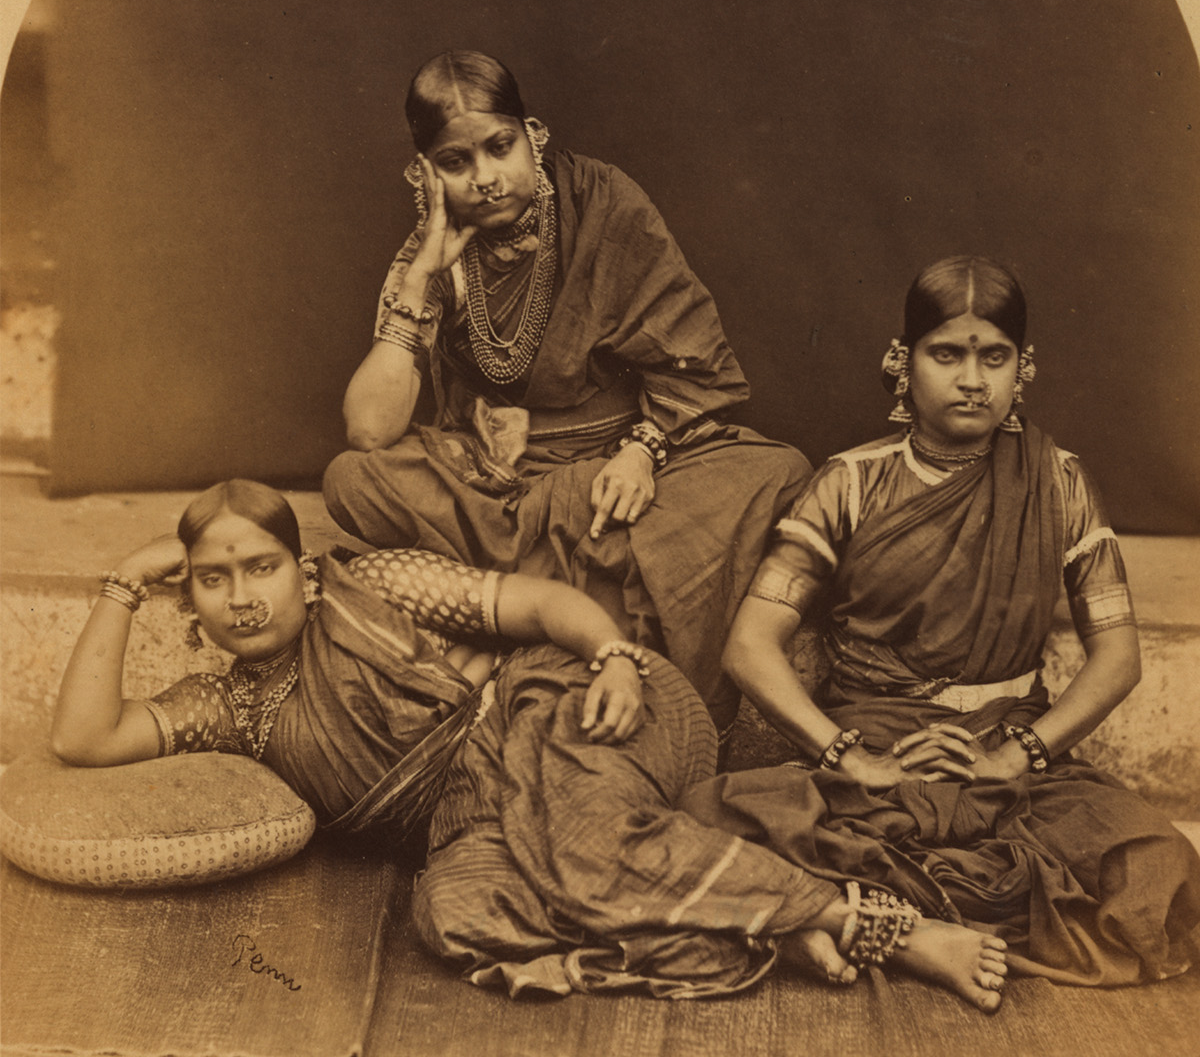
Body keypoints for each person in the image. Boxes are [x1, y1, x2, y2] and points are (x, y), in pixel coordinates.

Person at [52, 478, 1008, 1008]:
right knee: (454, 915)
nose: (242, 595)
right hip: (472, 819)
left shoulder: (377, 585)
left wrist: (619, 656)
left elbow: (542, 604)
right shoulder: (226, 708)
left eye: (260, 567)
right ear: (192, 596)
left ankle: (869, 921)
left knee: (582, 839)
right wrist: (123, 584)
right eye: (212, 580)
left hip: (560, 709)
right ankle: (763, 918)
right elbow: (85, 737)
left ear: (304, 574)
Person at [710, 255, 1200, 986]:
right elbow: (750, 646)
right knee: (716, 822)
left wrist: (1019, 753)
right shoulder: (850, 482)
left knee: (1158, 863)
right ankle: (897, 928)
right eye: (947, 354)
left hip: (1008, 751)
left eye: (993, 357)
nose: (973, 379)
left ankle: (849, 919)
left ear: (1022, 367)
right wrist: (847, 753)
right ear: (904, 363)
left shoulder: (1057, 480)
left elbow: (1119, 656)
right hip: (878, 748)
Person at [322, 50, 809, 735]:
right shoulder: (430, 255)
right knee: (354, 480)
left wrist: (642, 451)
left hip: (619, 465)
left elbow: (692, 361)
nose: (487, 179)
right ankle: (581, 582)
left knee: (776, 469)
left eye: (500, 148)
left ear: (535, 136)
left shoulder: (603, 202)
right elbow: (369, 432)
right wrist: (421, 275)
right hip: (501, 483)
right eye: (456, 164)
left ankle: (541, 592)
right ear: (425, 174)